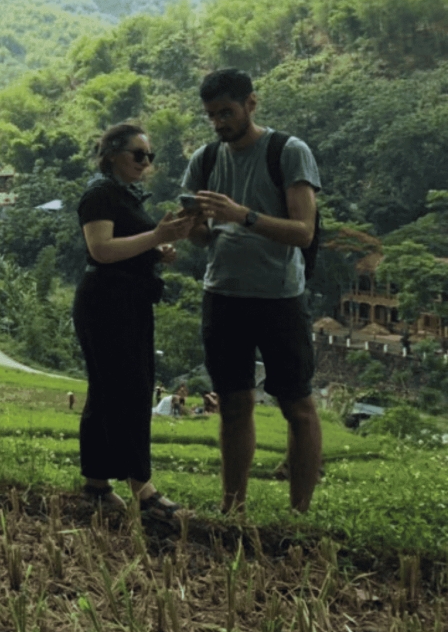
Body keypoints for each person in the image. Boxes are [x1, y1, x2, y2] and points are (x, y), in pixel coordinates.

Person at [182, 68, 323, 514]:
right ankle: (232, 508)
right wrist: (193, 227)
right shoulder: (204, 159)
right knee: (234, 403)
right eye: (211, 116)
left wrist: (243, 215)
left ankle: (299, 512)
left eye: (226, 112)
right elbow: (204, 237)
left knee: (297, 405)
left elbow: (303, 232)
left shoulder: (287, 152)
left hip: (279, 297)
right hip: (223, 294)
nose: (220, 123)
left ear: (251, 104)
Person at [74, 122, 193, 515]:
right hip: (108, 303)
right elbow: (102, 250)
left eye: (149, 156)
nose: (146, 162)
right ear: (112, 155)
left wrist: (156, 250)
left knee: (114, 391)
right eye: (137, 154)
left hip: (127, 301)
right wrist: (156, 238)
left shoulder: (124, 195)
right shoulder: (100, 194)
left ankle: (96, 485)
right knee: (128, 392)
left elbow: (128, 245)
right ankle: (143, 490)